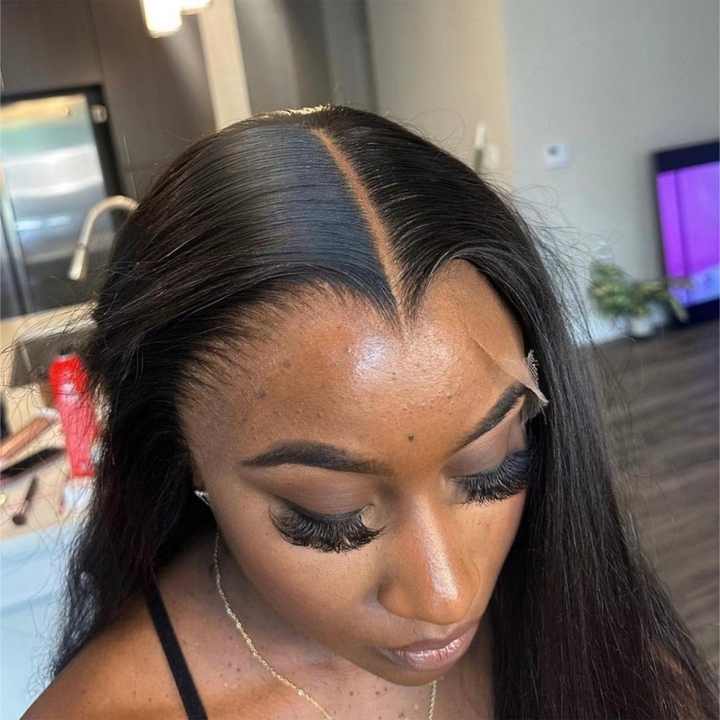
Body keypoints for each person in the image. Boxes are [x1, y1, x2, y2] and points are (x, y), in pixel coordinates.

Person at [22, 105, 716, 719]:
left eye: (492, 470)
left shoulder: (570, 599)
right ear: (180, 451)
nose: (446, 597)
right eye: (331, 512)